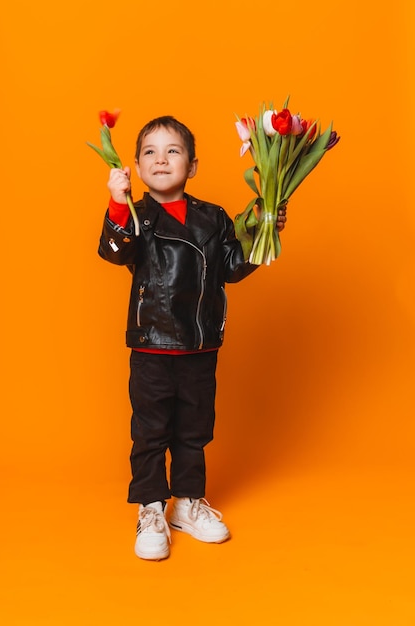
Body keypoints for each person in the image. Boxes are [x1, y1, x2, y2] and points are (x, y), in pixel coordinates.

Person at [98, 116, 286, 560]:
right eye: (149, 152)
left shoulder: (213, 217)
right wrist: (117, 202)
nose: (161, 159)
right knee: (150, 431)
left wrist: (266, 230)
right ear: (138, 169)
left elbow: (233, 268)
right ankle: (150, 507)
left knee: (195, 429)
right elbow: (115, 250)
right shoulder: (137, 215)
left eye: (173, 151)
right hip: (152, 343)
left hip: (200, 344)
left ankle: (187, 502)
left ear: (193, 165)